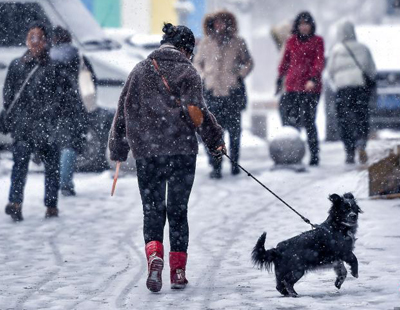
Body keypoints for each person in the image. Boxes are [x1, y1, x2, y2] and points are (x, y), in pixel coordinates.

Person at [108, 23, 224, 292]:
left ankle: (155, 257)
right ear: (186, 49)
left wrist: (118, 148)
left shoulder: (139, 70)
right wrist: (214, 139)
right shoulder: (187, 71)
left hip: (148, 153)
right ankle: (179, 271)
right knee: (178, 211)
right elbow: (196, 110)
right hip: (182, 151)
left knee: (152, 209)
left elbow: (123, 110)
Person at [2, 23, 61, 221]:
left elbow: (59, 98)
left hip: (46, 126)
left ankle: (51, 205)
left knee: (52, 167)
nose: (34, 42)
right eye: (31, 38)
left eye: (38, 38)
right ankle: (15, 203)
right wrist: (16, 116)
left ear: (46, 42)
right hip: (24, 126)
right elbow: (8, 94)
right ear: (27, 41)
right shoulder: (17, 65)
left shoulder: (53, 67)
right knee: (19, 166)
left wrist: (48, 115)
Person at [194, 11, 253, 179]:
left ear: (229, 24)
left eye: (223, 22)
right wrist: (204, 76)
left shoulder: (238, 42)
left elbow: (248, 62)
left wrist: (239, 75)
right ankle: (216, 165)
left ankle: (235, 162)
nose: (219, 26)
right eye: (216, 23)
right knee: (212, 132)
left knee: (234, 132)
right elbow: (197, 62)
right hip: (212, 92)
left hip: (232, 93)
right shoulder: (206, 43)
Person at [276, 11, 325, 166]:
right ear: (297, 26)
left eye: (307, 24)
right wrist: (279, 78)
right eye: (301, 24)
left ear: (312, 25)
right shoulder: (291, 41)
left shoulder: (318, 41)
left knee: (309, 121)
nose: (304, 27)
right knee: (291, 122)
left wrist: (313, 78)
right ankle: (292, 153)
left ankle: (314, 154)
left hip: (310, 88)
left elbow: (319, 62)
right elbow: (284, 62)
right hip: (292, 86)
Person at [326, 21, 376, 164]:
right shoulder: (363, 48)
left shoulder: (336, 50)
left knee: (343, 120)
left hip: (343, 90)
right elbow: (371, 70)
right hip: (359, 88)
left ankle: (349, 150)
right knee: (361, 117)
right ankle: (361, 142)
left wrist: (338, 83)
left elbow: (330, 71)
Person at [50, 26, 88, 196]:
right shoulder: (78, 56)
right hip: (74, 106)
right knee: (70, 144)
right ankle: (65, 183)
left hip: (51, 107)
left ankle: (53, 181)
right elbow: (88, 82)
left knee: (54, 144)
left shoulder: (48, 57)